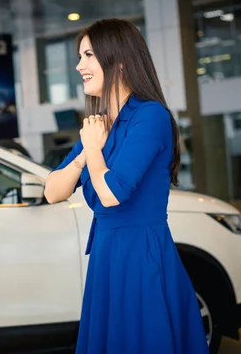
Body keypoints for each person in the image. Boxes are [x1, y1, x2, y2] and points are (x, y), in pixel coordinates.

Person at [44, 19, 208, 354]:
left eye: (88, 55)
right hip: (107, 252)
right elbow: (52, 191)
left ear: (118, 60)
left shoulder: (151, 117)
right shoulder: (100, 125)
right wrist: (83, 156)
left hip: (140, 253)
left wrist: (91, 149)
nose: (79, 66)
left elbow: (112, 193)